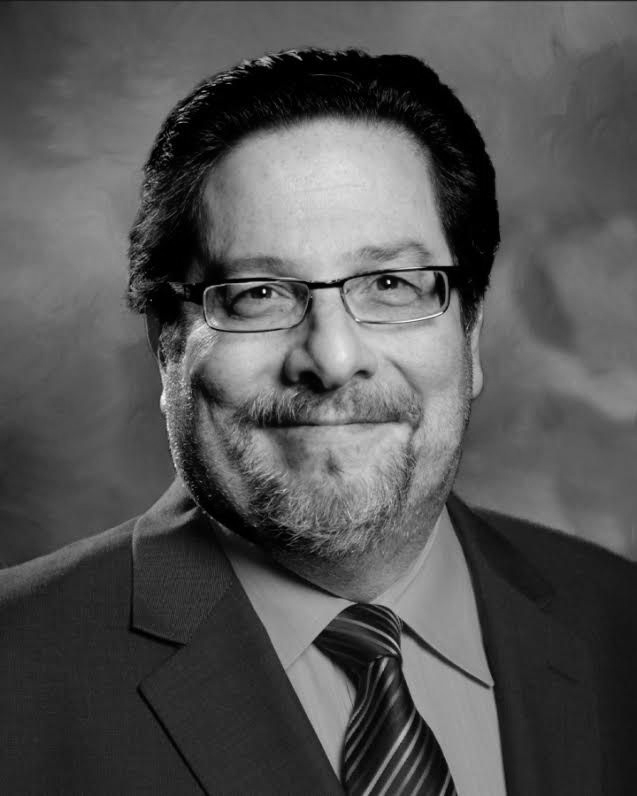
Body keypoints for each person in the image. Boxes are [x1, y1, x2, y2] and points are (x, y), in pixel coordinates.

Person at [1, 47, 635, 796]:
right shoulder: (17, 671)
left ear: (468, 336)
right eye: (259, 293)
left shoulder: (618, 622)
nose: (331, 359)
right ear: (168, 345)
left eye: (392, 283)